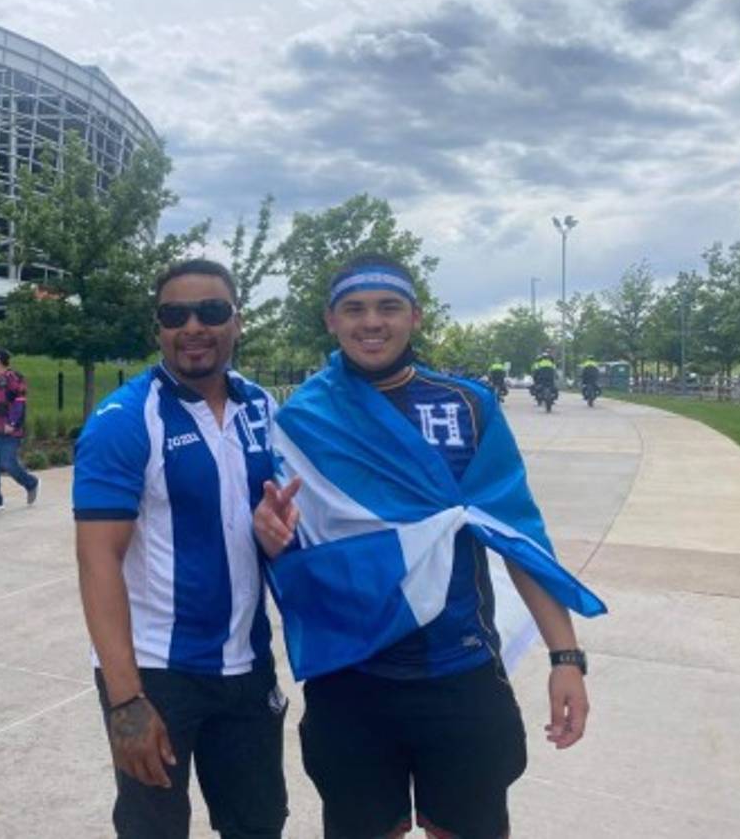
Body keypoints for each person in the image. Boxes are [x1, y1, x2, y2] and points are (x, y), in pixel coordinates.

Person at [253, 253, 605, 839]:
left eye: (388, 307)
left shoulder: (468, 406)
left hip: (459, 669)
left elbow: (518, 535)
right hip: (352, 676)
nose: (372, 322)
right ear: (331, 320)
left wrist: (565, 658)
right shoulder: (302, 418)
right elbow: (300, 549)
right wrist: (269, 534)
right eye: (355, 309)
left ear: (415, 316)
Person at [73, 258, 288, 839]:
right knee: (154, 831)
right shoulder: (124, 419)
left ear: (236, 321)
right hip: (156, 674)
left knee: (259, 824)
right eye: (176, 314)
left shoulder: (262, 409)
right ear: (158, 328)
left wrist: (277, 534)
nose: (193, 326)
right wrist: (125, 700)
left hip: (247, 663)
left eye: (211, 311)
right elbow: (97, 562)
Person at [0, 348, 39, 512]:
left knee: (8, 463)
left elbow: (20, 401)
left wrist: (12, 422)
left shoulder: (14, 377)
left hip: (9, 431)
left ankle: (30, 482)